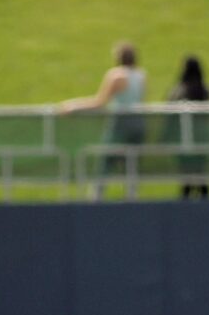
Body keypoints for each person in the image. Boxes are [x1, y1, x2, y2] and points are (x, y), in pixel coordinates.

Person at [58, 41, 147, 200]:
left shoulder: (116, 75)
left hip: (120, 124)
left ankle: (97, 197)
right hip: (138, 124)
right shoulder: (141, 75)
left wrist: (74, 105)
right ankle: (132, 195)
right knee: (131, 163)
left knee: (106, 160)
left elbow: (99, 102)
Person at [162, 55, 209, 200]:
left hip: (183, 139)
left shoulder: (178, 91)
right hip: (203, 139)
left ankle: (184, 206)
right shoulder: (206, 91)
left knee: (186, 176)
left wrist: (166, 136)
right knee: (201, 173)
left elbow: (169, 116)